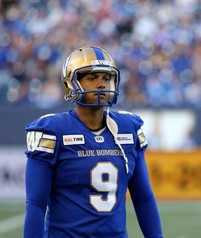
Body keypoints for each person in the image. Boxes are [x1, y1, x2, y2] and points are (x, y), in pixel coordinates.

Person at [23, 46, 163, 238]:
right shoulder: (52, 131)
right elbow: (36, 203)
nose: (101, 84)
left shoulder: (128, 129)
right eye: (91, 78)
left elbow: (143, 198)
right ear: (71, 83)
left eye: (106, 78)